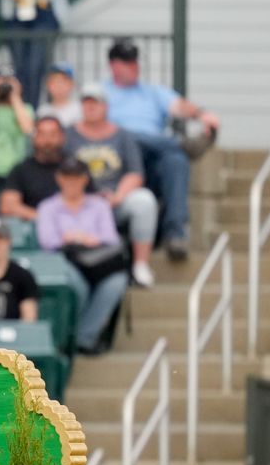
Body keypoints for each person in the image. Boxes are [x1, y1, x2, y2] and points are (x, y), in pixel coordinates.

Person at [103, 38, 210, 261]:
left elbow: (179, 106)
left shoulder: (153, 92)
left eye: (134, 61)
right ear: (113, 65)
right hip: (116, 154)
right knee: (131, 136)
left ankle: (176, 234)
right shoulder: (101, 92)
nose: (133, 66)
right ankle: (181, 143)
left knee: (176, 160)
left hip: (151, 156)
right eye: (126, 61)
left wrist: (202, 114)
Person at [67, 84, 161, 288]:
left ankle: (140, 265)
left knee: (144, 201)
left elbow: (135, 173)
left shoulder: (123, 136)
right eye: (86, 103)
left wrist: (118, 196)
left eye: (95, 103)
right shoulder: (68, 135)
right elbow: (60, 173)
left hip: (113, 200)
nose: (90, 107)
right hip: (78, 203)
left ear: (106, 107)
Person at [38, 155, 128, 354]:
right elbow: (48, 242)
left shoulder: (99, 205)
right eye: (67, 176)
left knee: (117, 281)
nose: (72, 182)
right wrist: (73, 239)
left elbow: (110, 239)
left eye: (76, 177)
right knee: (79, 286)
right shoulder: (48, 207)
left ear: (85, 179)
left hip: (96, 261)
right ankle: (68, 336)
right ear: (59, 178)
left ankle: (83, 338)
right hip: (63, 260)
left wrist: (82, 238)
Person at [0, 108, 66, 222]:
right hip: (33, 227)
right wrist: (45, 219)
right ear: (34, 138)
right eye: (42, 134)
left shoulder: (74, 168)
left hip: (73, 229)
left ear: (62, 137)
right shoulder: (21, 170)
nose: (47, 141)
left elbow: (90, 202)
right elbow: (8, 206)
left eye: (53, 134)